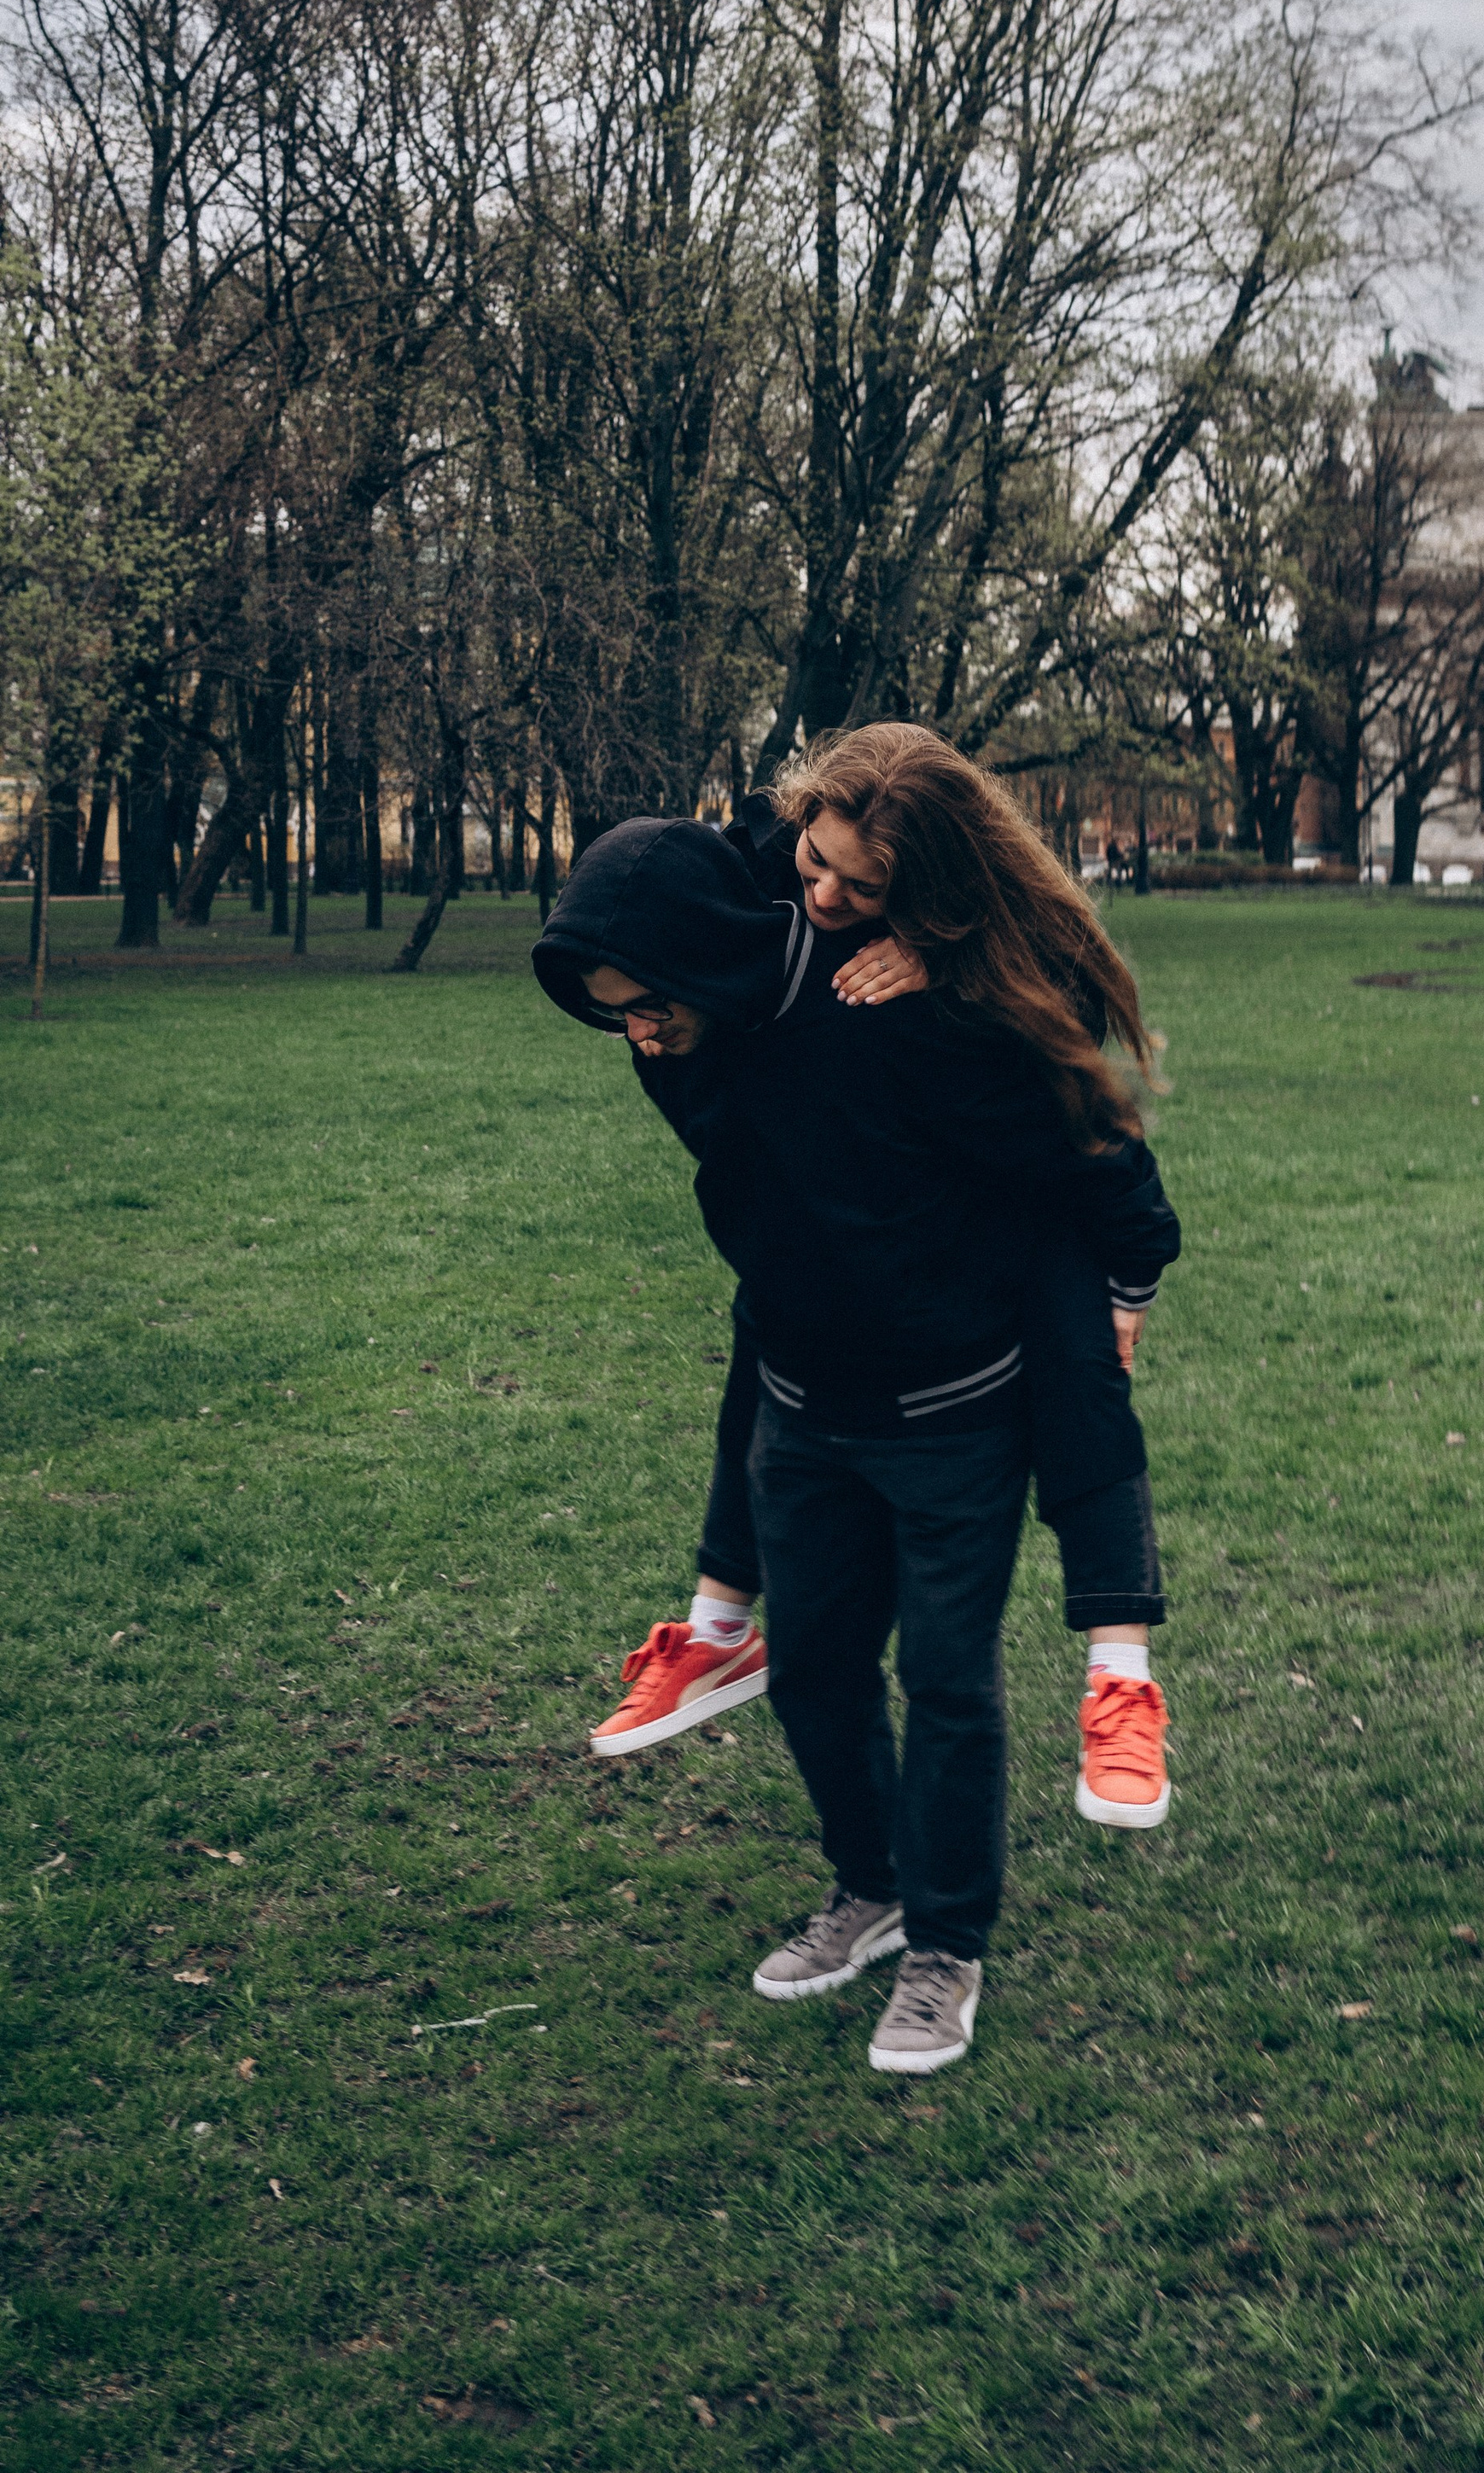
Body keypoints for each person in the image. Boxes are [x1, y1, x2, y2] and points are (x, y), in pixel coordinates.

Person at [532, 730, 1180, 2075]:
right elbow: (723, 871)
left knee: (946, 1686)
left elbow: (1078, 1121)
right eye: (816, 865)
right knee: (817, 1675)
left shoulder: (918, 1009)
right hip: (800, 1414)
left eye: (639, 1001)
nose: (822, 895)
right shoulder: (711, 1000)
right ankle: (872, 1889)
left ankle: (947, 1947)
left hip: (955, 1414)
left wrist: (1131, 1272)